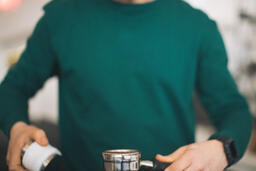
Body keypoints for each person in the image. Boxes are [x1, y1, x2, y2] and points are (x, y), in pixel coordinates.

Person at [0, 0, 253, 170]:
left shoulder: (198, 27)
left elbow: (234, 110)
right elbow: (11, 89)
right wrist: (16, 125)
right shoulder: (60, 16)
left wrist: (223, 149)